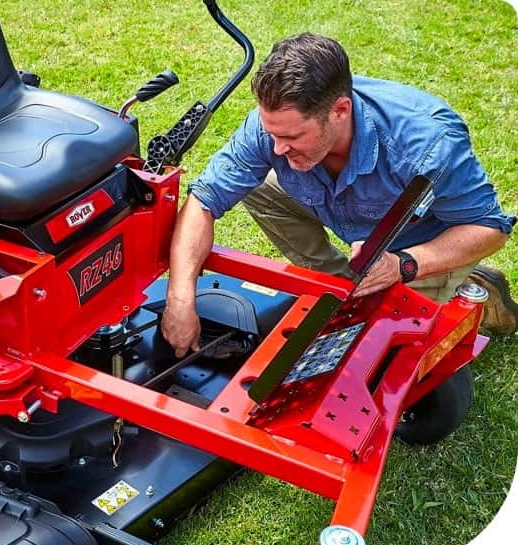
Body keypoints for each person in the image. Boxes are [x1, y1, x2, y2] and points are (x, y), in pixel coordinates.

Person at [161, 32, 516, 357]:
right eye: (272, 134)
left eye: (293, 138)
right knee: (260, 187)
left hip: (420, 244)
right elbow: (204, 200)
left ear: (340, 111)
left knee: (381, 358)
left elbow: (489, 229)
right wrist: (179, 296)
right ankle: (340, 285)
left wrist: (403, 264)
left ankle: (468, 287)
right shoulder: (274, 127)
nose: (278, 148)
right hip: (359, 230)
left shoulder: (426, 144)